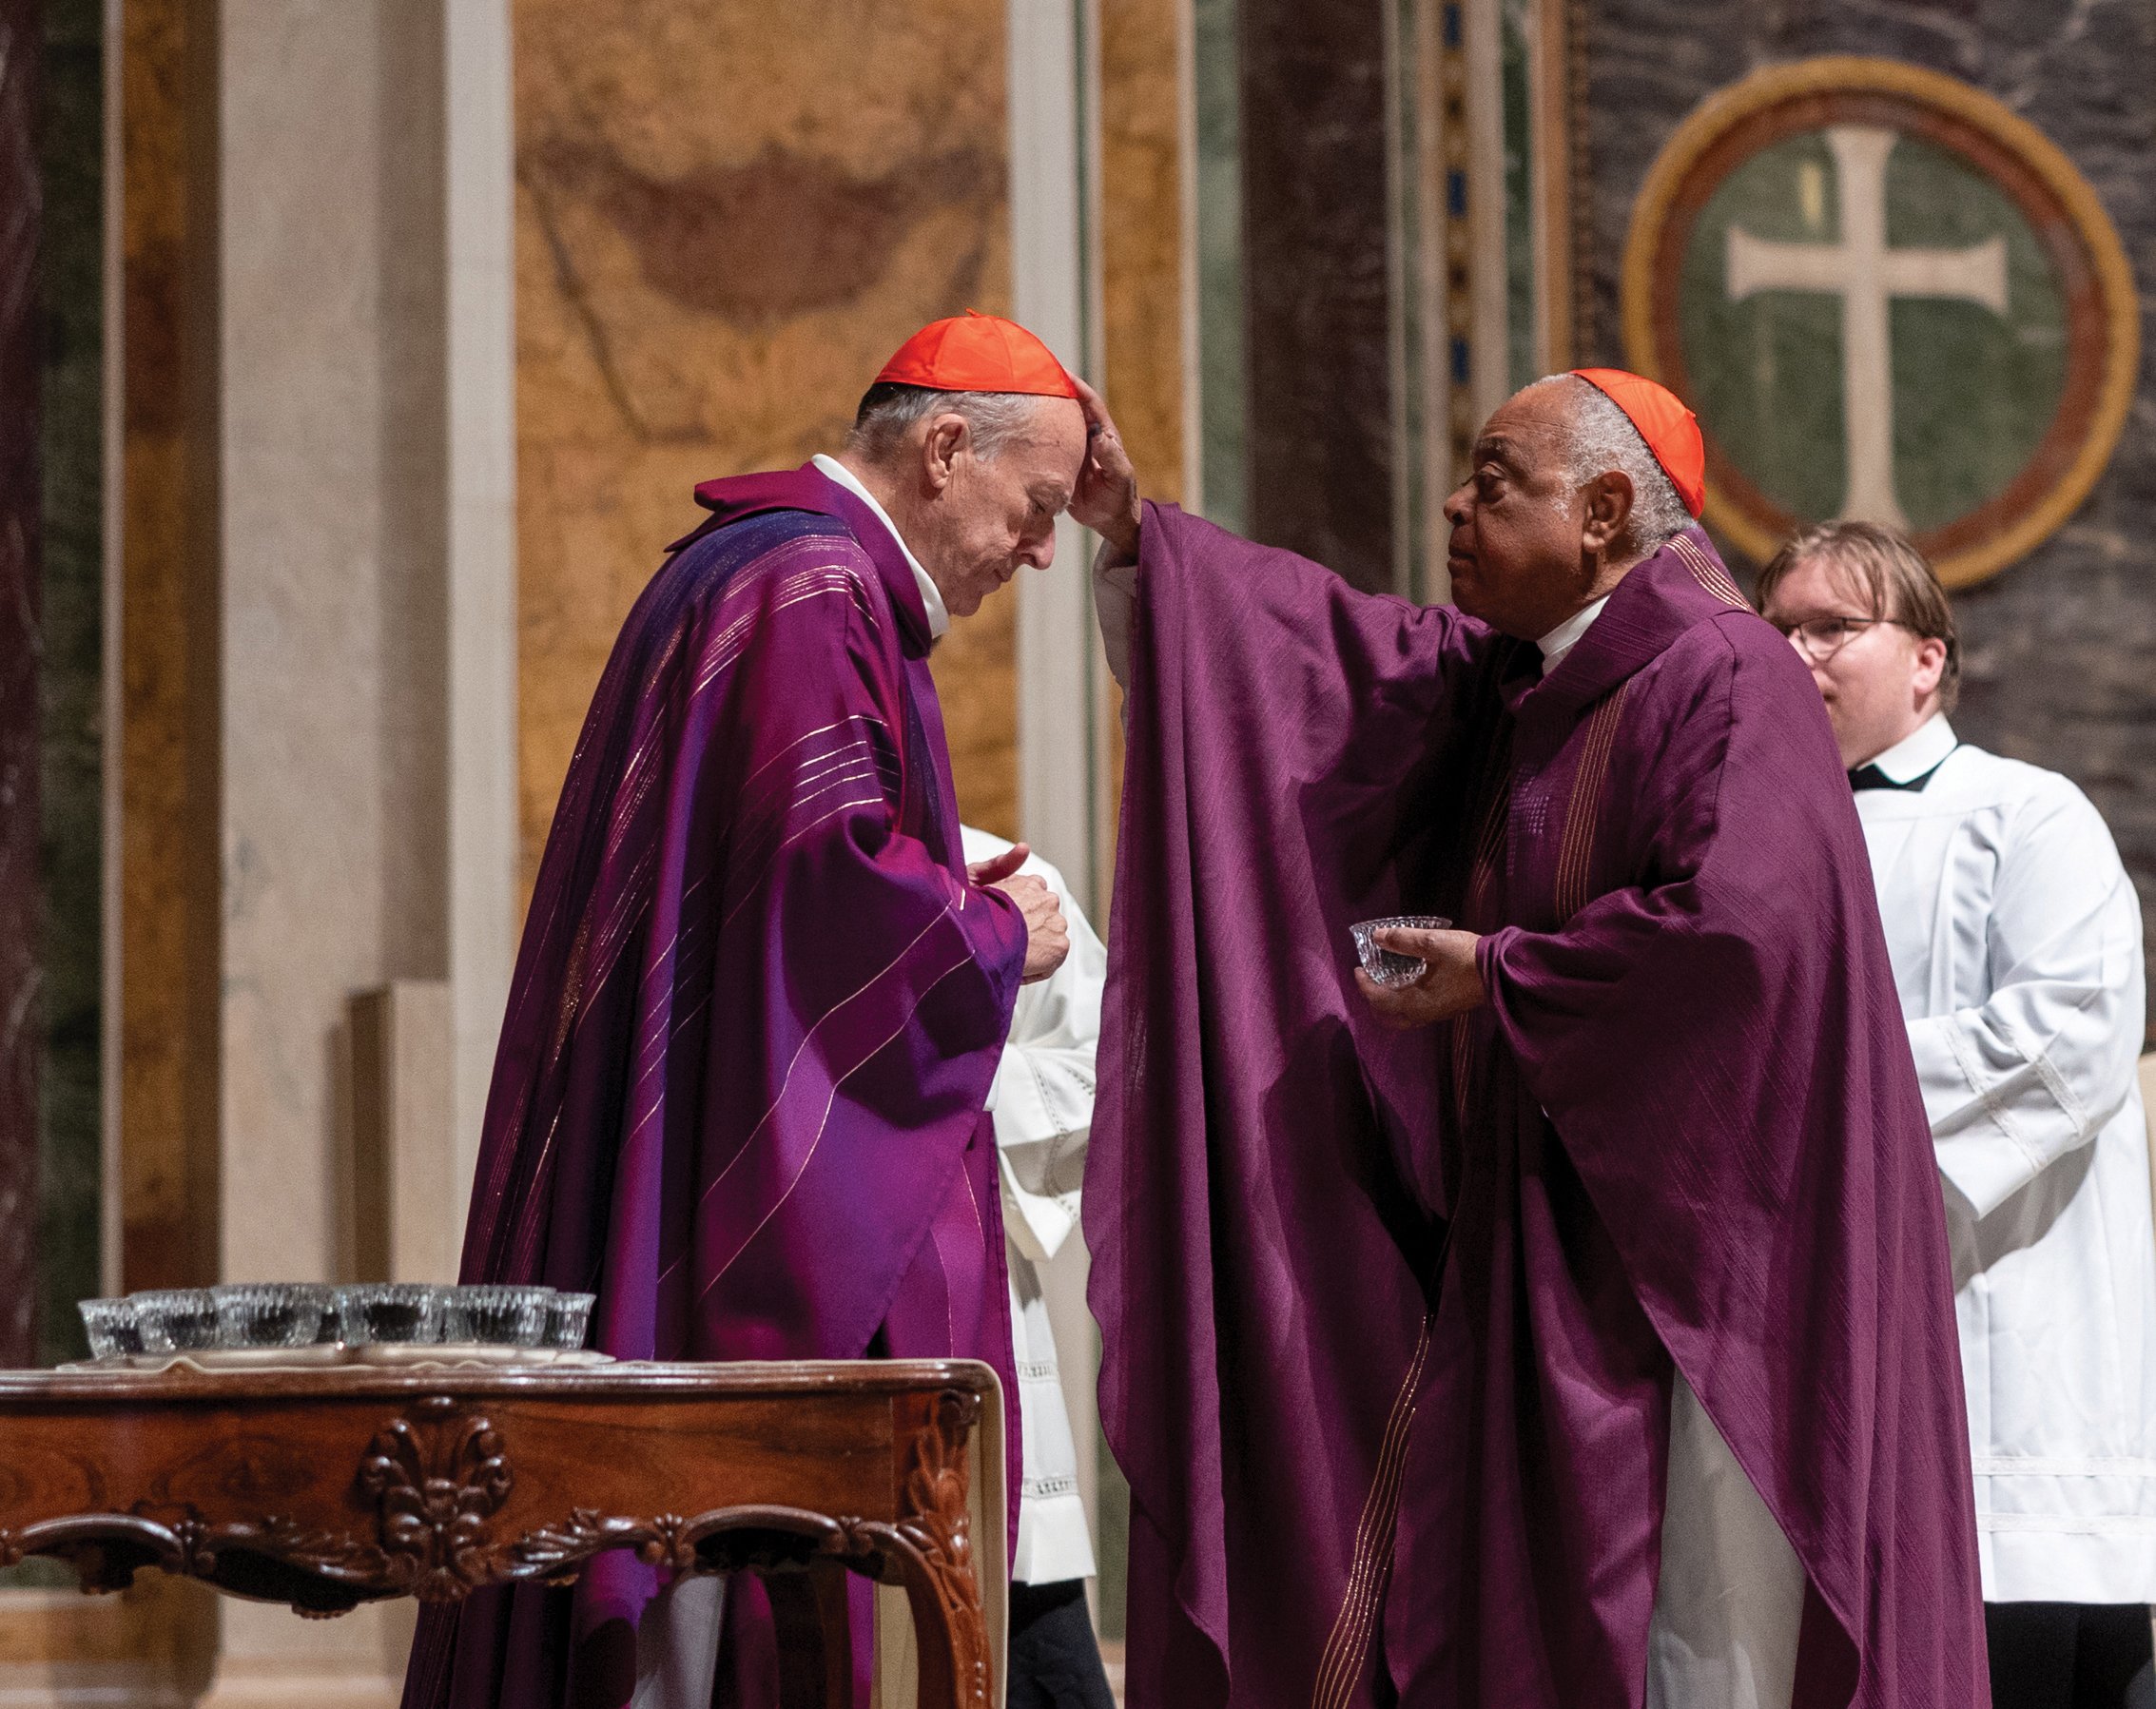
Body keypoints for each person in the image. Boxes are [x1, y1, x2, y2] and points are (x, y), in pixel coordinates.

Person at [1068, 370, 1987, 1706]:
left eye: (1494, 481)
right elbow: (1319, 666)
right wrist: (1141, 541)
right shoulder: (1522, 677)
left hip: (1703, 1279)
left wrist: (1496, 974)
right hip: (1547, 1248)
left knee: (1694, 1635)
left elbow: (1735, 941)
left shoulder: (1722, 676)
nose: (1451, 504)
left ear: (1605, 510)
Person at [401, 313, 1085, 1709]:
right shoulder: (815, 588)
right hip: (720, 1253)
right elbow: (825, 902)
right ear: (948, 449)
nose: (1038, 551)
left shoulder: (757, 565)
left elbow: (777, 875)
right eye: (1036, 507)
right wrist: (998, 930)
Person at [1758, 522, 2156, 1709]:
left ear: (1926, 660)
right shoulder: (1746, 844)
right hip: (1810, 1360)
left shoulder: (2022, 815)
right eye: (1775, 630)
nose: (1795, 654)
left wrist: (1806, 1099)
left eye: (1832, 627)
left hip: (2007, 1349)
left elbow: (2067, 1033)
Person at [959, 824, 1117, 1709]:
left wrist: (941, 1084)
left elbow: (1101, 1068)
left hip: (977, 1328)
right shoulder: (756, 881)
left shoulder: (1003, 877)